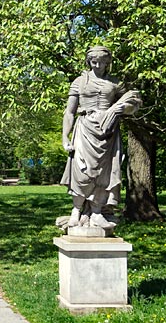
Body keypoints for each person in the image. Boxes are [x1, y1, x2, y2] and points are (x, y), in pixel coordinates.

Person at [60, 46, 141, 230]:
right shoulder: (79, 82)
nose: (98, 65)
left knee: (104, 173)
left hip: (108, 133)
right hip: (85, 129)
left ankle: (97, 212)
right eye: (94, 62)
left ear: (108, 63)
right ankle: (76, 209)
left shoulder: (115, 82)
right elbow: (69, 112)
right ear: (88, 61)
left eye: (102, 62)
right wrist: (65, 136)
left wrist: (122, 108)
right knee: (81, 172)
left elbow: (133, 105)